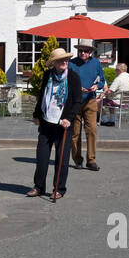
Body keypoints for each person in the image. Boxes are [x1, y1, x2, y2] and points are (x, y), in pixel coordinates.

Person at [30, 47, 83, 200]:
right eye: (61, 60)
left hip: (63, 124)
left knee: (62, 159)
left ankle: (59, 189)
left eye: (66, 59)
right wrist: (36, 114)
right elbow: (42, 96)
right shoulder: (48, 75)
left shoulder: (73, 77)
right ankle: (38, 187)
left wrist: (69, 118)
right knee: (42, 156)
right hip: (47, 122)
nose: (64, 61)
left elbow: (77, 101)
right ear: (53, 63)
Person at [68, 39, 106, 171]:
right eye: (80, 50)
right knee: (75, 133)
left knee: (92, 131)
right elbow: (67, 81)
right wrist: (77, 88)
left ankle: (91, 160)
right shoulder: (72, 63)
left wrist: (97, 86)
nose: (82, 53)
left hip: (90, 100)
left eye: (85, 51)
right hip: (75, 101)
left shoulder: (96, 63)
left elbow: (102, 80)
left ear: (90, 52)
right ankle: (77, 159)